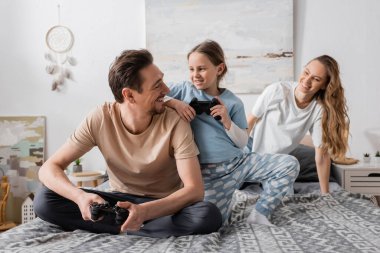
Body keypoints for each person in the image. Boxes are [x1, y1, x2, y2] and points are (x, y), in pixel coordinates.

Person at [34, 49, 222, 238]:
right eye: (157, 86)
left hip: (161, 206)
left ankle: (125, 225)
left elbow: (194, 190)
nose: (166, 90)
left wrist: (145, 211)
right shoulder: (100, 118)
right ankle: (140, 227)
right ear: (130, 95)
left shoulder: (175, 121)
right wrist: (80, 197)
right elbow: (48, 169)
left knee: (207, 215)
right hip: (117, 202)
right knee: (45, 199)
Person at [165, 40, 299, 225]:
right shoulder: (182, 90)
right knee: (213, 223)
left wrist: (227, 122)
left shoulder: (233, 101)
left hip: (238, 163)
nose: (195, 75)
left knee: (289, 164)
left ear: (219, 69)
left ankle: (260, 213)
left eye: (201, 69)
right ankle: (229, 203)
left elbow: (242, 142)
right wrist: (174, 103)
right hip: (208, 175)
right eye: (191, 69)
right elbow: (153, 93)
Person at [246, 55, 350, 194]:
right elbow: (249, 123)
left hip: (278, 165)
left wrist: (326, 195)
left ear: (324, 85)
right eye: (306, 72)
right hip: (249, 151)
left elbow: (322, 155)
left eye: (316, 79)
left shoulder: (319, 109)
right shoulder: (277, 90)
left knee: (285, 201)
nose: (307, 81)